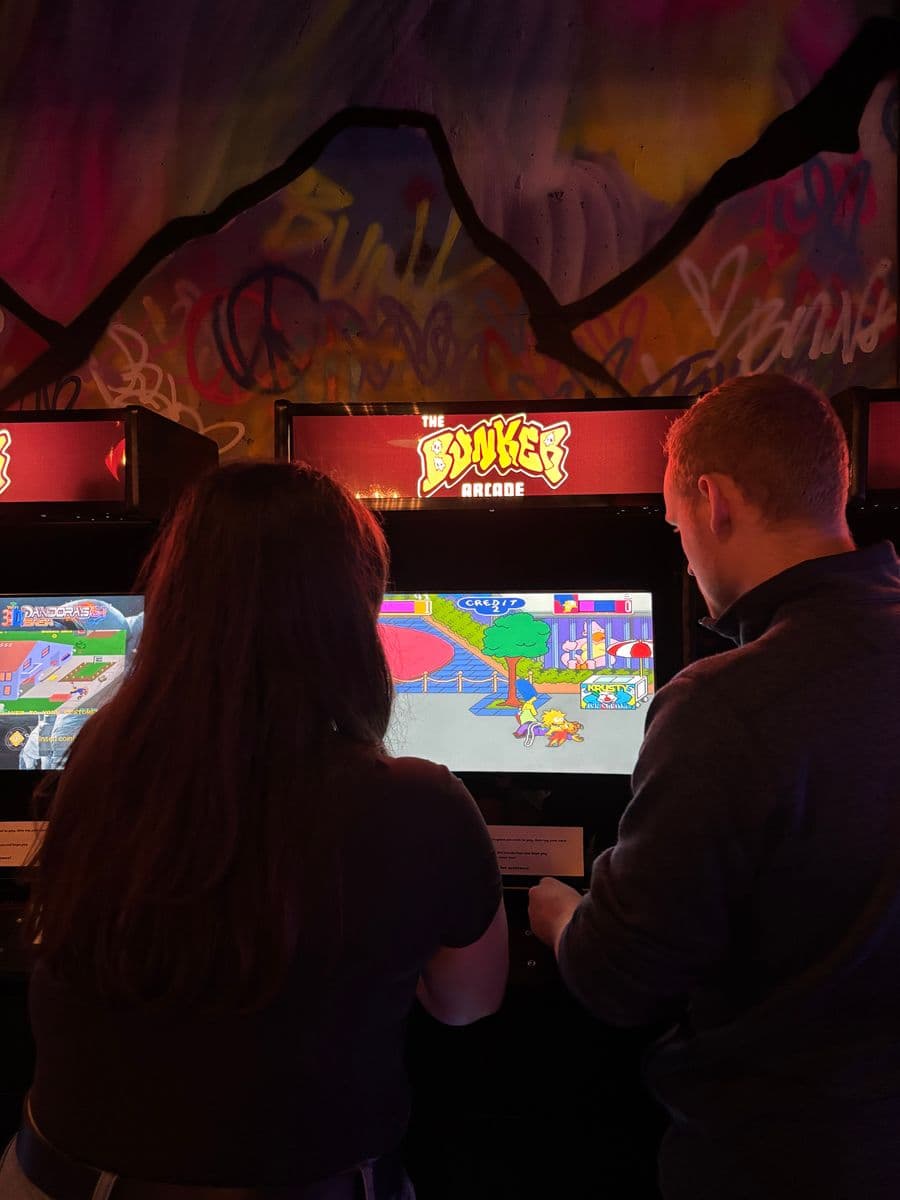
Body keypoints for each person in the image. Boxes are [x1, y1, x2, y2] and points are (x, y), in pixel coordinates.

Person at [1, 462, 507, 1200]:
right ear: (351, 611)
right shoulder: (418, 799)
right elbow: (468, 1003)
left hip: (53, 1177)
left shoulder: (100, 760)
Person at [529, 374, 900, 1199]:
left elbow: (619, 980)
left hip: (778, 1152)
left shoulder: (723, 701)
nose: (685, 556)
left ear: (713, 500)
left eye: (676, 527)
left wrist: (556, 911)